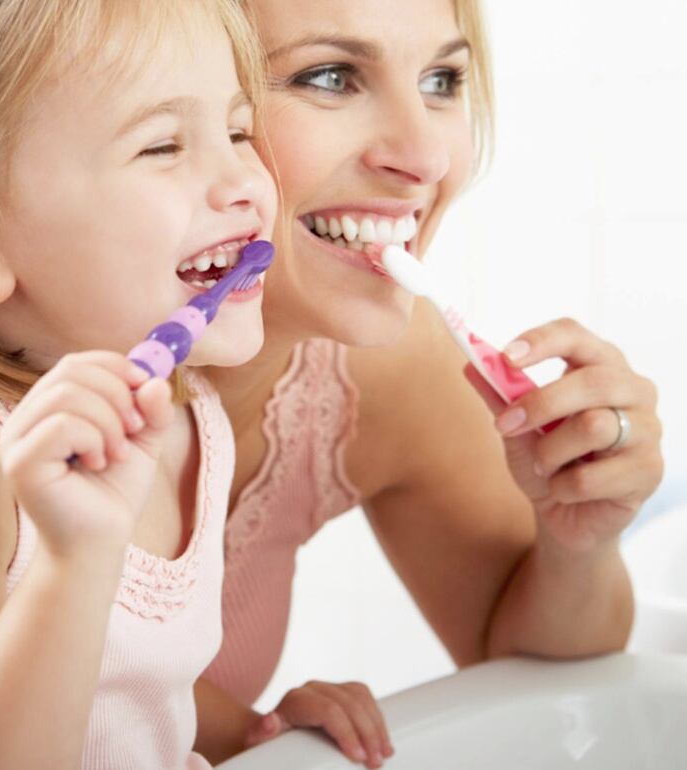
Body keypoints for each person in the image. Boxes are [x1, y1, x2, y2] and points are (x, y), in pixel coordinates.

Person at [193, 0, 665, 767]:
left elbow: (533, 666)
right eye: (329, 76)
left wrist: (577, 540)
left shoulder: (385, 367)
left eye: (442, 80)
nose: (426, 158)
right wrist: (245, 736)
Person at [0, 1, 275, 769]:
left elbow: (125, 682)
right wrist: (75, 561)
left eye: (239, 131)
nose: (245, 181)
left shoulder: (188, 409)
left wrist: (253, 732)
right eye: (162, 145)